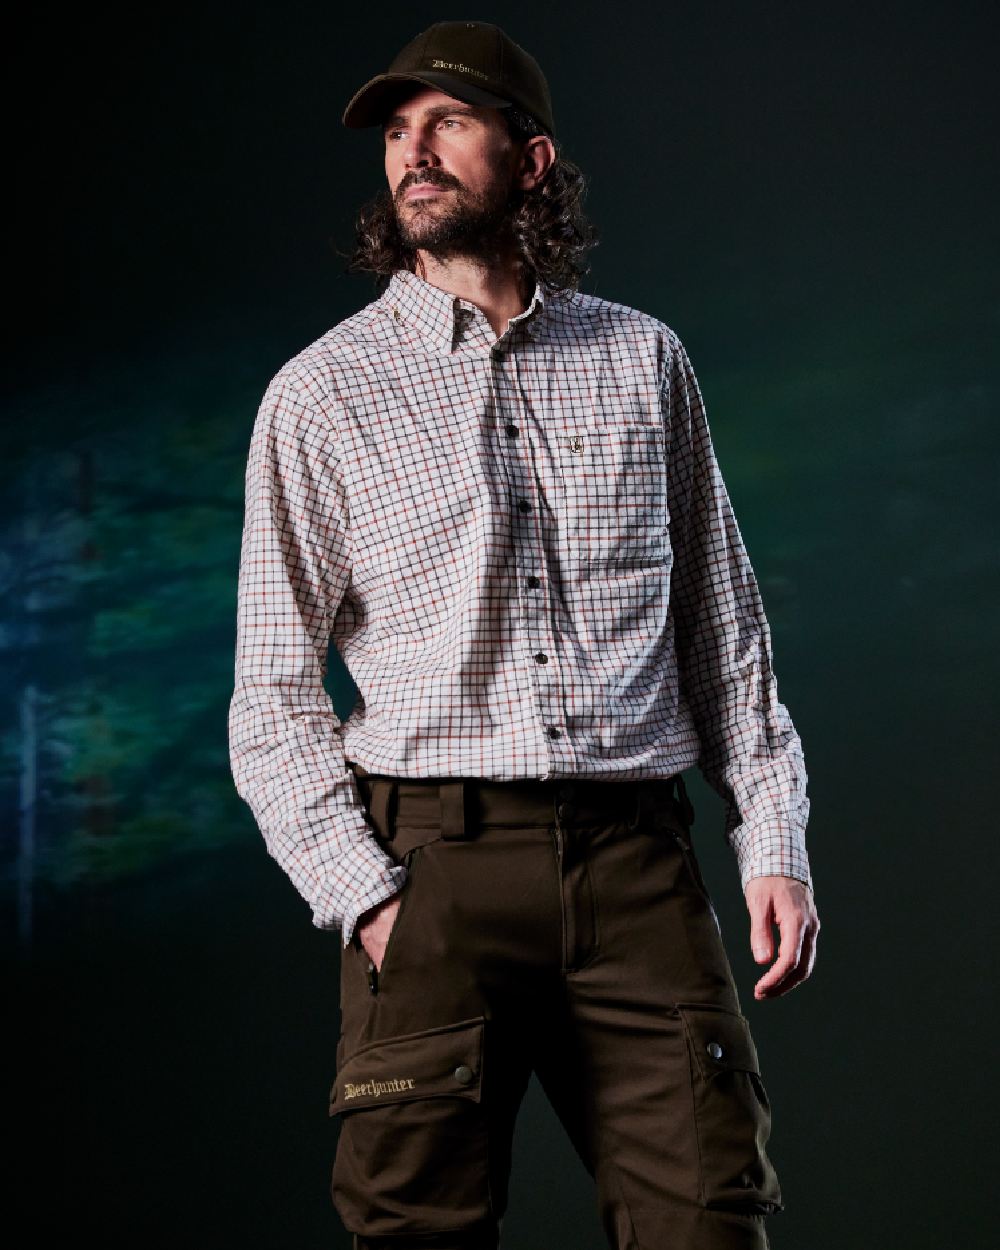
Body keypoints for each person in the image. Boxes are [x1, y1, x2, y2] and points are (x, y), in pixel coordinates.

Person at [227, 19, 820, 1250]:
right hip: (431, 867)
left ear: (531, 159)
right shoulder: (320, 394)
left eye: (447, 123)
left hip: (637, 864)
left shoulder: (644, 361)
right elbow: (272, 693)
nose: (413, 152)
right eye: (397, 132)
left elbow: (723, 633)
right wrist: (369, 900)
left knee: (711, 1219)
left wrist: (773, 840)